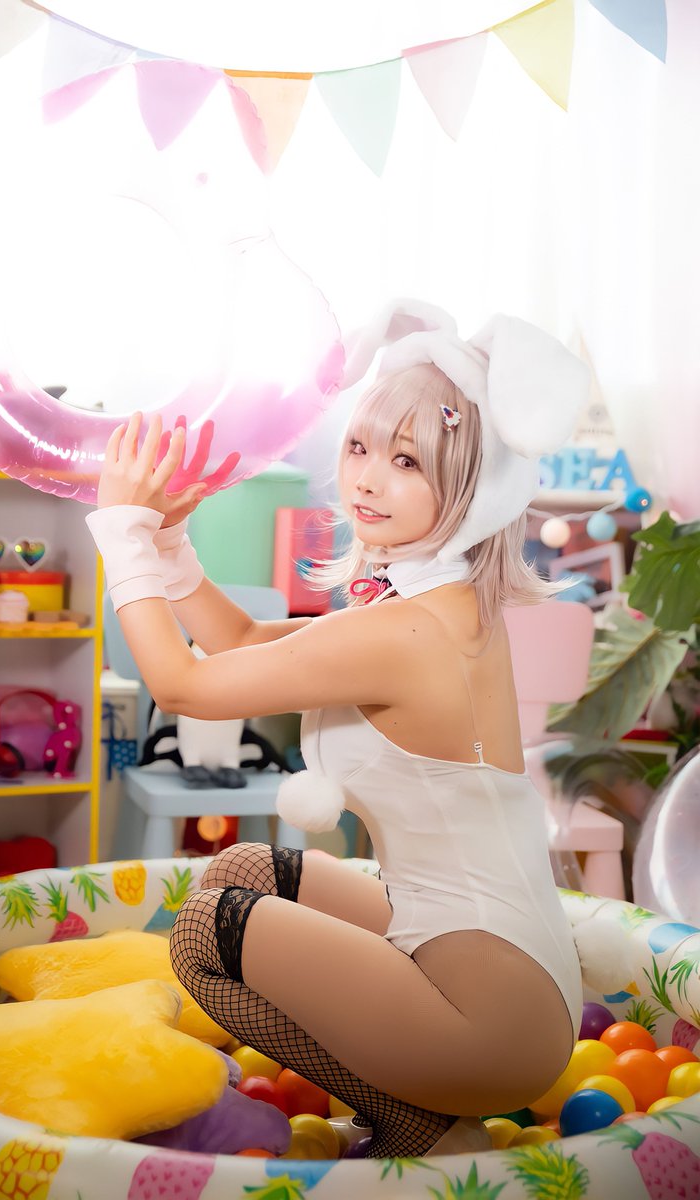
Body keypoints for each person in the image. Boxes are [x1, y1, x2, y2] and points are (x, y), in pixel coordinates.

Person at [86, 300, 590, 1158]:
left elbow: (182, 685)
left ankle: (418, 1121)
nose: (367, 480)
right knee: (242, 870)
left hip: (493, 1018)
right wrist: (169, 542)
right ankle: (427, 1099)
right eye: (359, 447)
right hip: (485, 960)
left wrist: (122, 532)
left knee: (206, 931)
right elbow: (243, 642)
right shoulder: (432, 601)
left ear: (473, 489)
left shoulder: (406, 633)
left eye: (407, 462)